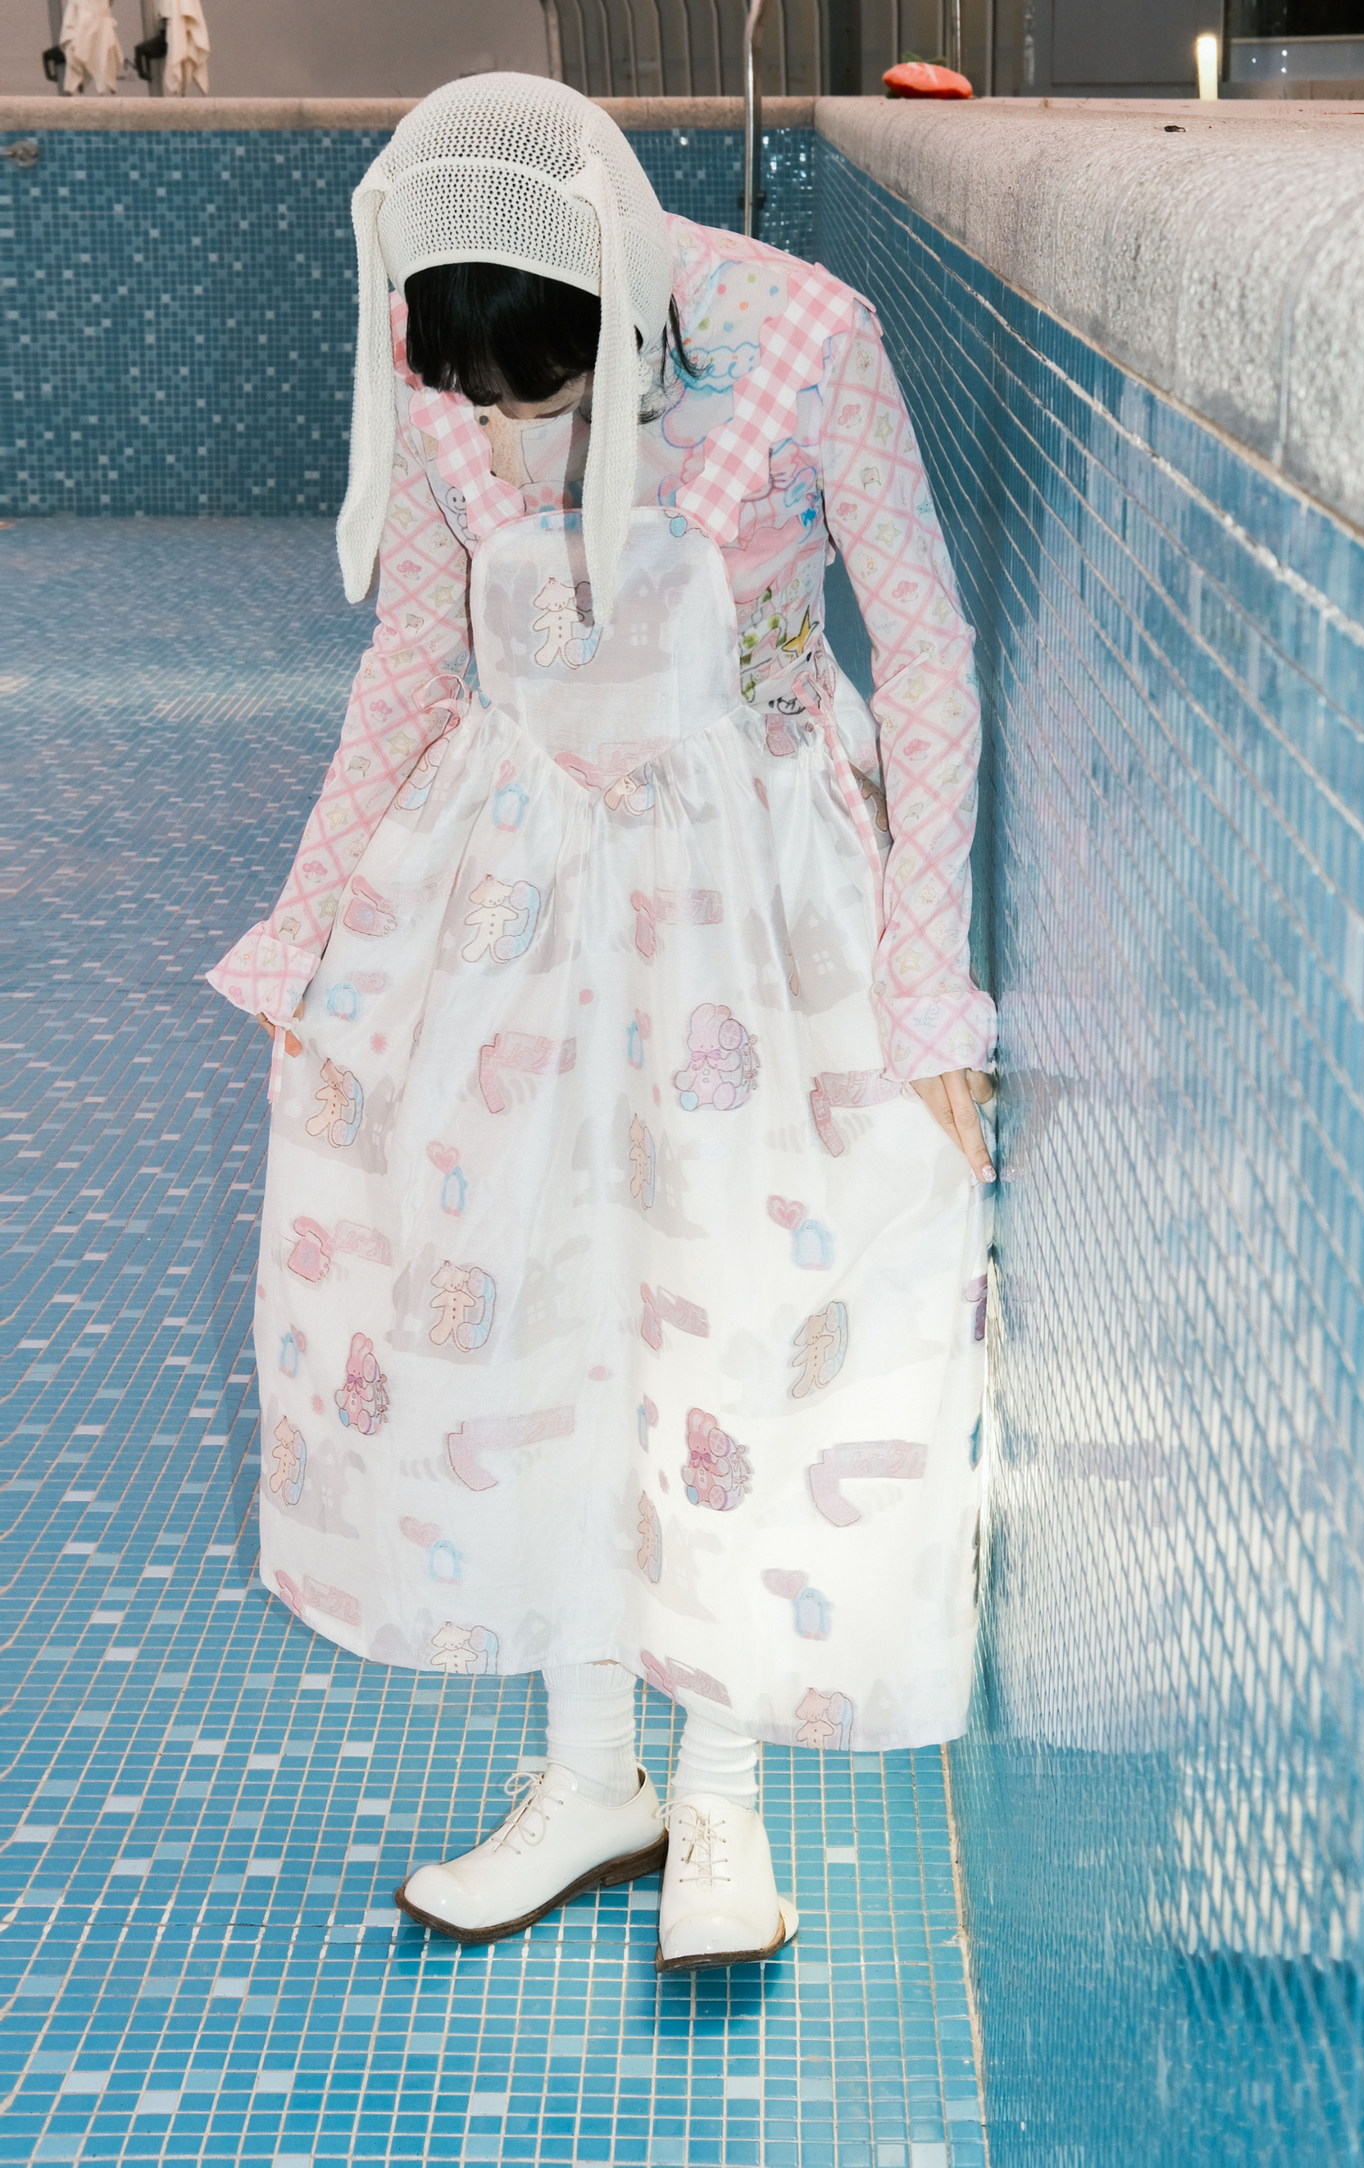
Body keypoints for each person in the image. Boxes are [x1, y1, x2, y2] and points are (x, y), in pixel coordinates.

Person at [208, 73, 996, 1974]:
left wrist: (923, 994)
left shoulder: (805, 341)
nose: (499, 435)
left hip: (752, 915)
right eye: (471, 399)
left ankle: (717, 1791)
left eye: (534, 395)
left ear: (620, 299)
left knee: (740, 1316)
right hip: (516, 912)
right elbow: (417, 660)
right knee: (533, 1310)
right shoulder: (449, 349)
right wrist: (305, 939)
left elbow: (928, 650)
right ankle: (589, 1778)